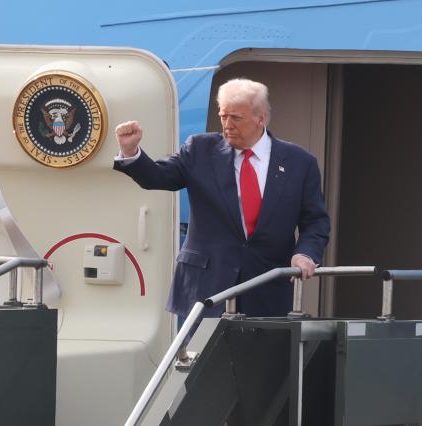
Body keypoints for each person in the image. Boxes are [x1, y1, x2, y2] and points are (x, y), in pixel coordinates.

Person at [114, 78, 330, 319]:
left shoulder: (300, 162)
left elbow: (316, 222)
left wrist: (305, 254)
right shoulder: (199, 149)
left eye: (236, 118)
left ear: (261, 118)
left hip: (268, 290)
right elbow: (157, 177)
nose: (227, 125)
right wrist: (130, 152)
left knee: (264, 358)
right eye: (223, 116)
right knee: (201, 358)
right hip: (206, 290)